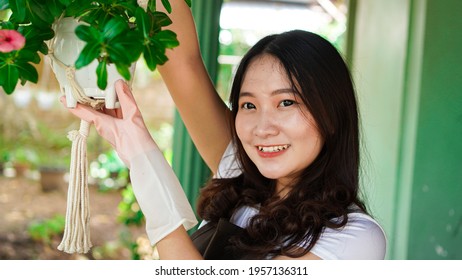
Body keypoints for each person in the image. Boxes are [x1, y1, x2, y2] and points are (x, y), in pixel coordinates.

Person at [63, 0, 386, 259]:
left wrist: (146, 167)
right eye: (248, 105)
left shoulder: (353, 239)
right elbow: (180, 61)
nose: (262, 128)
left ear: (331, 113)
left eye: (286, 103)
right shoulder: (239, 169)